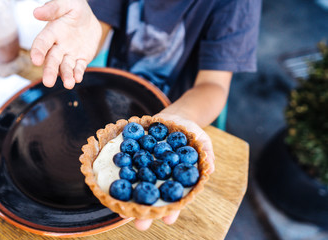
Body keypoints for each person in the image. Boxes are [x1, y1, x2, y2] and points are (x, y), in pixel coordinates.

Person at [30, 0, 261, 231]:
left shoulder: (238, 4)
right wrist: (86, 30)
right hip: (117, 100)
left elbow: (214, 85)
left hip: (186, 105)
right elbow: (100, 24)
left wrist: (177, 118)